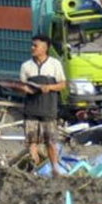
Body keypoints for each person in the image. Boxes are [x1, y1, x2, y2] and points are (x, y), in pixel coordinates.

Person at [20, 35, 66, 175]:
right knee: (31, 143)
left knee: (50, 143)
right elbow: (22, 85)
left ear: (45, 48)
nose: (32, 48)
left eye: (35, 46)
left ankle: (55, 169)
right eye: (32, 45)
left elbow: (62, 84)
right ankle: (35, 170)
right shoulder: (26, 66)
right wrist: (25, 89)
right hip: (31, 110)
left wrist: (49, 88)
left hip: (48, 110)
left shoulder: (55, 64)